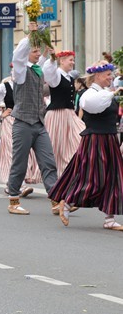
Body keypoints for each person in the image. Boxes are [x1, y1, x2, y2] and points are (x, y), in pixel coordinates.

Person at [49, 61, 123, 230]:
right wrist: (113, 93)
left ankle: (109, 219)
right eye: (108, 75)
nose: (111, 78)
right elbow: (94, 106)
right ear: (97, 76)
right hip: (95, 139)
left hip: (110, 138)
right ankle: (67, 203)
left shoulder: (105, 93)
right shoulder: (89, 94)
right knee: (94, 177)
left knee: (113, 178)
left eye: (111, 75)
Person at [6, 23, 59, 215]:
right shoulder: (19, 72)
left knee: (48, 161)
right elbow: (18, 56)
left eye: (38, 51)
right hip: (23, 123)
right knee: (19, 163)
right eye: (34, 51)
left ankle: (55, 199)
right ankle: (13, 200)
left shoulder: (37, 70)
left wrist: (48, 52)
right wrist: (31, 36)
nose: (37, 54)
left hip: (39, 123)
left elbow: (45, 63)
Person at [0, 76, 41, 198]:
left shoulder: (28, 84)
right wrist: (0, 114)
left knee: (27, 151)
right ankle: (20, 184)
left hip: (26, 119)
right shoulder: (5, 86)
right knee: (12, 151)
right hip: (10, 121)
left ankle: (12, 184)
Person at [42, 50, 86, 175]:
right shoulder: (56, 75)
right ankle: (58, 177)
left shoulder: (69, 77)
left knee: (80, 138)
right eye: (70, 60)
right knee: (57, 147)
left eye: (73, 60)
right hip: (57, 115)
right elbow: (47, 72)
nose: (73, 62)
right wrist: (51, 59)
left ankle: (68, 173)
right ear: (61, 61)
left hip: (70, 115)